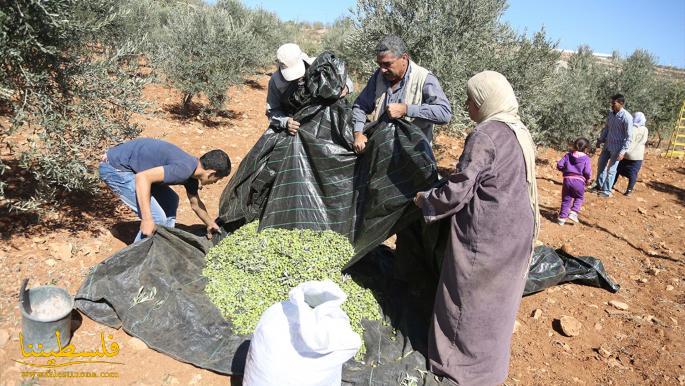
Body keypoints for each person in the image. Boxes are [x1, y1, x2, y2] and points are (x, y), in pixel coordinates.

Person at [413, 71, 539, 386]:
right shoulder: (518, 129)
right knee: (497, 304)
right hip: (516, 229)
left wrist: (426, 200)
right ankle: (489, 370)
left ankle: (456, 369)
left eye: (471, 100)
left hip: (487, 235)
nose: (468, 106)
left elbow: (460, 188)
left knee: (466, 298)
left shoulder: (486, 134)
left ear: (485, 101)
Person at [99, 138, 231, 242]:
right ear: (211, 173)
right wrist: (146, 219)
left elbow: (195, 204)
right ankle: (138, 259)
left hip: (131, 168)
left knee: (171, 200)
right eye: (217, 179)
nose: (215, 183)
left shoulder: (192, 172)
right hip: (115, 169)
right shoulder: (183, 169)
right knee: (156, 219)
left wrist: (210, 223)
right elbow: (142, 178)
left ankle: (160, 243)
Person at [351, 35, 452, 153]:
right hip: (382, 154)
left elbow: (444, 113)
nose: (382, 69)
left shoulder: (424, 78)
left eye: (387, 64)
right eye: (379, 64)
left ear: (404, 58)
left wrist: (407, 110)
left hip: (413, 157)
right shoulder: (378, 76)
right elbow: (360, 106)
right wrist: (358, 134)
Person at [266, 43, 352, 136]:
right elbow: (273, 110)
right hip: (297, 124)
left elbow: (346, 80)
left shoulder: (320, 65)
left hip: (327, 118)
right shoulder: (276, 81)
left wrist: (346, 87)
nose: (297, 78)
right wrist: (286, 122)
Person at [592, 94, 633, 198]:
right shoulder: (611, 114)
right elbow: (607, 128)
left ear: (621, 104)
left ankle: (606, 191)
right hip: (607, 144)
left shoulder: (627, 117)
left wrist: (623, 151)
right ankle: (599, 185)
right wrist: (601, 139)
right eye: (611, 103)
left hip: (617, 148)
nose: (612, 105)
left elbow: (629, 136)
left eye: (614, 103)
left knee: (611, 169)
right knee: (601, 164)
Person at [556, 138, 592, 225]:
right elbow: (587, 171)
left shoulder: (568, 155)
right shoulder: (586, 158)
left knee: (566, 199)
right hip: (579, 181)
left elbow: (559, 165)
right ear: (586, 148)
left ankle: (562, 219)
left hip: (567, 180)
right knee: (579, 197)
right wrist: (588, 179)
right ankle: (573, 212)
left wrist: (565, 170)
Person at [612, 111, 648, 196]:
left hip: (626, 154)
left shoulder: (631, 128)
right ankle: (629, 190)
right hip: (638, 156)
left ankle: (611, 184)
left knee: (618, 169)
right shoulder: (645, 129)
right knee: (633, 173)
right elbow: (644, 141)